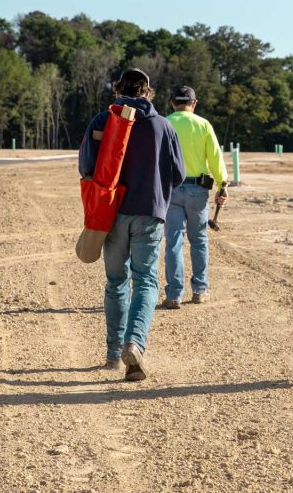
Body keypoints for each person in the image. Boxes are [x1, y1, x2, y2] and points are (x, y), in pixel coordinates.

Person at [79, 68, 185, 381]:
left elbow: (86, 166)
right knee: (146, 281)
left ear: (117, 90)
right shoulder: (164, 126)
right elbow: (177, 174)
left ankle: (113, 353)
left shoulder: (102, 120)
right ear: (148, 92)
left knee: (116, 282)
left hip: (111, 214)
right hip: (149, 212)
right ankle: (135, 344)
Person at [161, 85, 229, 308]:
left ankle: (174, 294)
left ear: (172, 103)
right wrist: (222, 184)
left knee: (173, 242)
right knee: (199, 240)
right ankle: (200, 290)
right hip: (199, 190)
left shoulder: (164, 123)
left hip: (171, 189)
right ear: (194, 104)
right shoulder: (203, 125)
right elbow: (216, 158)